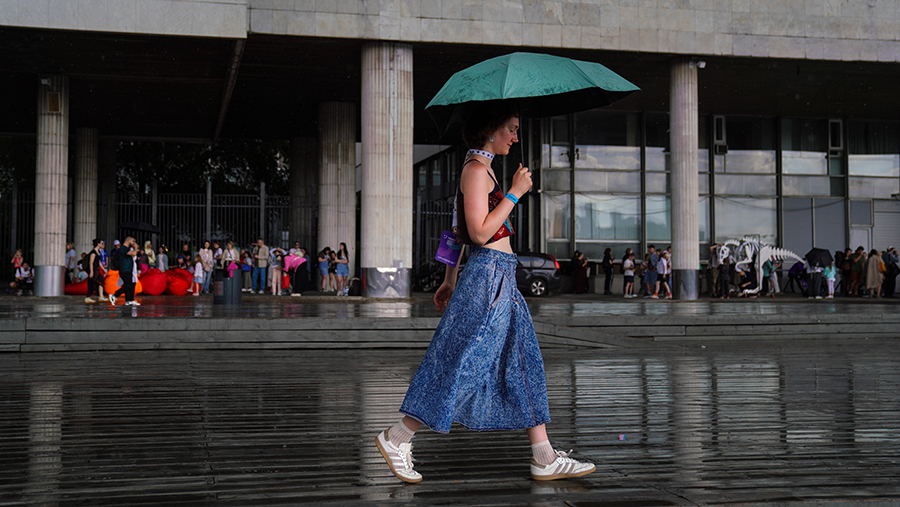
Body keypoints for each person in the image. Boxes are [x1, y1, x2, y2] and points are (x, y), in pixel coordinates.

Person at [374, 104, 595, 485]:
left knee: (523, 360)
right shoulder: (477, 171)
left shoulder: (481, 168)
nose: (515, 136)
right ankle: (398, 436)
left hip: (498, 276)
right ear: (491, 130)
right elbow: (477, 233)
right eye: (511, 128)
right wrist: (514, 193)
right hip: (488, 278)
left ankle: (543, 456)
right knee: (466, 359)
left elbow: (455, 231)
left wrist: (448, 278)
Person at [110, 237, 139, 306]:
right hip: (124, 269)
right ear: (128, 240)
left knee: (130, 284)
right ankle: (115, 295)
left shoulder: (126, 249)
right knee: (128, 285)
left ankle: (129, 300)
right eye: (133, 241)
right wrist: (135, 247)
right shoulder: (123, 248)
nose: (133, 243)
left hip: (128, 269)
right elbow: (134, 253)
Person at [84, 239, 106, 304]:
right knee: (91, 283)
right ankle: (87, 297)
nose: (102, 245)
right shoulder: (93, 253)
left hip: (96, 270)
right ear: (98, 244)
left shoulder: (98, 252)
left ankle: (101, 296)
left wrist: (103, 269)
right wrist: (91, 272)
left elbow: (98, 262)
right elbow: (91, 263)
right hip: (93, 270)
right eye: (101, 243)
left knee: (101, 281)